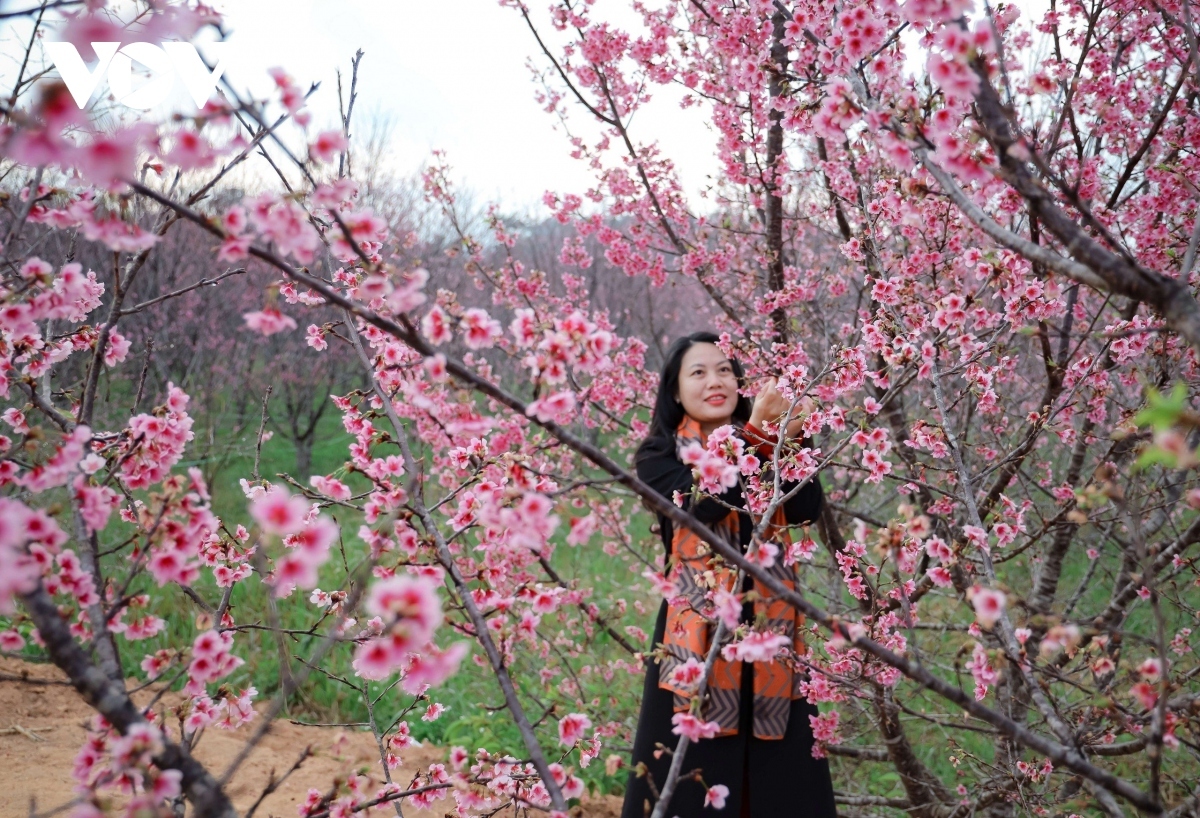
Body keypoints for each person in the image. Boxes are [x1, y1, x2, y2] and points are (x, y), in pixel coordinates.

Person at [620, 332, 837, 818]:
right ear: (676, 391)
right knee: (694, 760)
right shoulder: (659, 455)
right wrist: (754, 436)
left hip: (771, 627)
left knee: (780, 769)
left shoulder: (771, 440)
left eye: (724, 370)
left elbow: (804, 507)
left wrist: (789, 438)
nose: (715, 381)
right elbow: (700, 506)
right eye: (698, 372)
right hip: (695, 630)